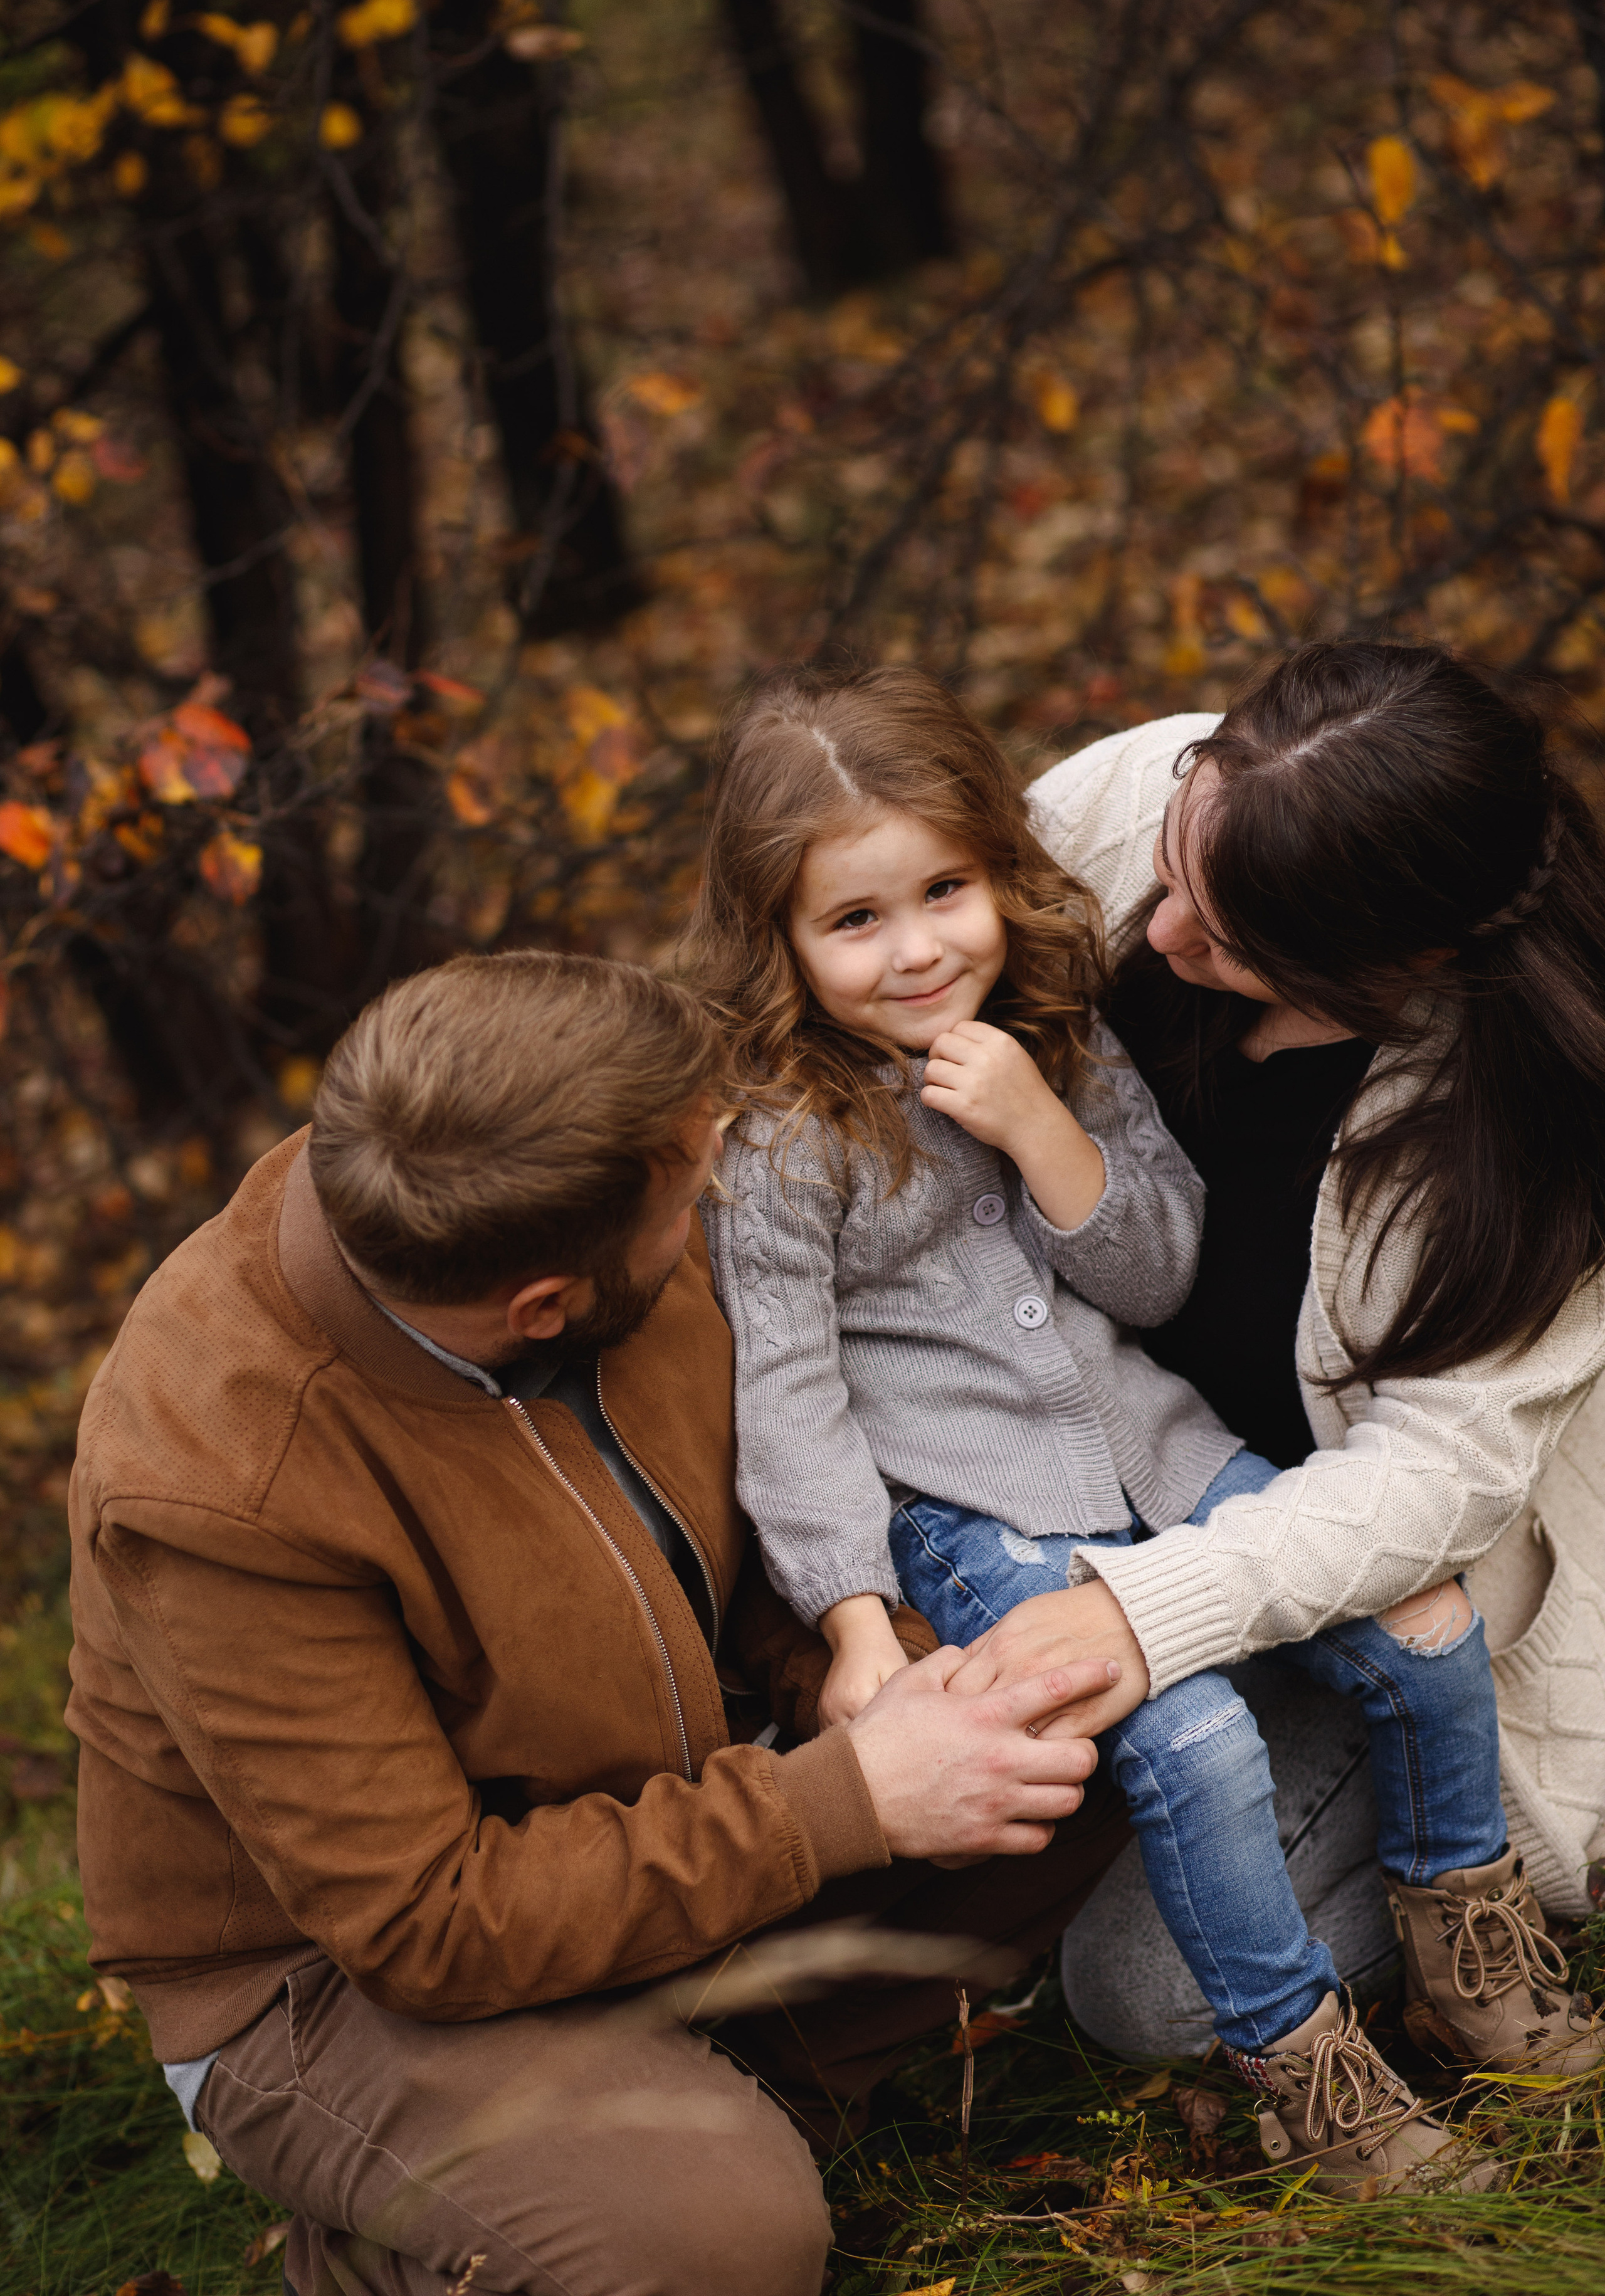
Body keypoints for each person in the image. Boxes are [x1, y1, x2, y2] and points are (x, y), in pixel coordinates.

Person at [65, 950, 1132, 2296]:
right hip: (331, 1981)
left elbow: (728, 1546)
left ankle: (682, 2113)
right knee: (717, 2249)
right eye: (695, 1192)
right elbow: (425, 1925)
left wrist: (851, 1675)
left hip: (662, 1799)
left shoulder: (525, 1169)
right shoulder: (220, 1479)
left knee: (1077, 1702)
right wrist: (839, 1804)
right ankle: (458, 2235)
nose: (723, 1190)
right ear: (544, 1308)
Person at [687, 663, 1543, 2197]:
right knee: (1195, 1735)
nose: (913, 949)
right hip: (976, 1518)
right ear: (780, 941)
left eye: (943, 891)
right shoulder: (784, 1145)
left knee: (1424, 1635)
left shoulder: (1057, 1039)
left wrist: (1038, 1128)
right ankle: (1304, 2076)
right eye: (852, 920)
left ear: (993, 873)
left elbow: (1155, 1269)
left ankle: (1471, 1950)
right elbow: (789, 1395)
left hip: (1157, 1447)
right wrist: (851, 1616)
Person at [966, 641, 1605, 2070]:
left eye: (1234, 937)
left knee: (1148, 1995)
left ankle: (1458, 1893)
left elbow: (1436, 1478)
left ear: (1401, 964)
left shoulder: (1524, 1132)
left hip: (1359, 1559)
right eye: (1184, 857)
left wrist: (1141, 1615)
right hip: (1066, 1437)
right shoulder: (1137, 807)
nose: (1166, 923)